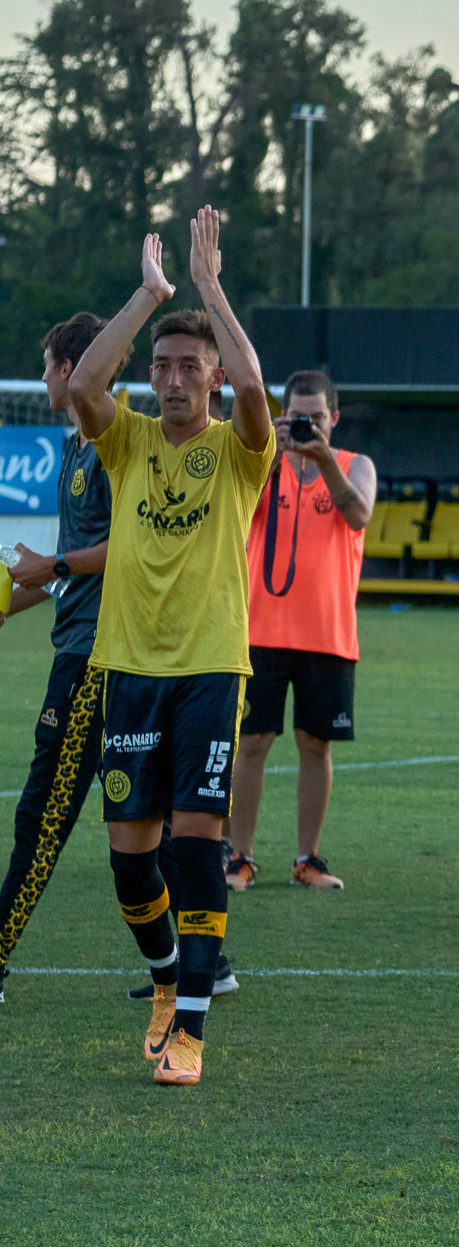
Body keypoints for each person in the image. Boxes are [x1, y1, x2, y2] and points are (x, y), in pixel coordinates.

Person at [66, 211, 275, 1086]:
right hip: (129, 669)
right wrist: (150, 297)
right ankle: (164, 983)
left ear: (213, 379)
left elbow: (261, 394)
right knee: (128, 856)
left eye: (190, 367)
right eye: (163, 367)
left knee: (196, 843)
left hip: (210, 668)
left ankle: (189, 1029)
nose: (174, 379)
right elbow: (83, 385)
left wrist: (210, 288)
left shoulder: (238, 452)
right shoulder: (130, 443)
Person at [0, 313, 115, 1003]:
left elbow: (127, 550)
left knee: (42, 813)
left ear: (71, 369)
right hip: (79, 650)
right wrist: (15, 595)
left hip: (94, 661)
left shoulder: (110, 445)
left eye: (46, 365)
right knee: (140, 824)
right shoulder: (75, 451)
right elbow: (68, 575)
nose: (42, 378)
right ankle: (200, 962)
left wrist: (54, 564)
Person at [226, 370, 377, 893]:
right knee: (251, 742)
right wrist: (272, 445)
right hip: (259, 629)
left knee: (316, 746)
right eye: (296, 416)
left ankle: (307, 859)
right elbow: (237, 504)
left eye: (316, 416)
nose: (306, 424)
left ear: (334, 418)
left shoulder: (356, 465)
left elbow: (357, 516)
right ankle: (238, 856)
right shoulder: (264, 462)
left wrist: (321, 457)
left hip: (328, 634)